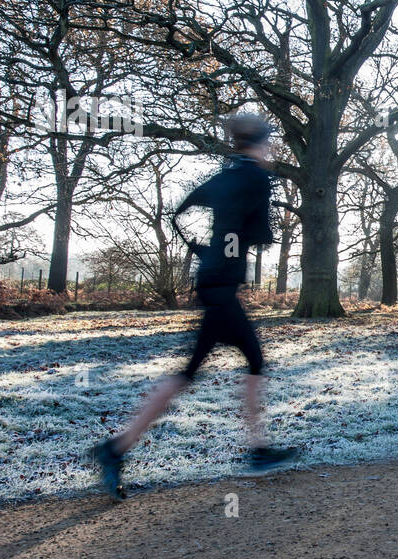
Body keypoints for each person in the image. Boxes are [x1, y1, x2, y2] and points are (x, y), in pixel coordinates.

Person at [88, 113, 298, 500]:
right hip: (220, 288)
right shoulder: (255, 179)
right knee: (237, 362)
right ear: (259, 143)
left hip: (213, 283)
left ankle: (118, 448)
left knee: (219, 366)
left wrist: (205, 250)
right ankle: (254, 449)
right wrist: (231, 248)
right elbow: (261, 234)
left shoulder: (225, 177)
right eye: (268, 143)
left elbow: (181, 211)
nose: (270, 151)